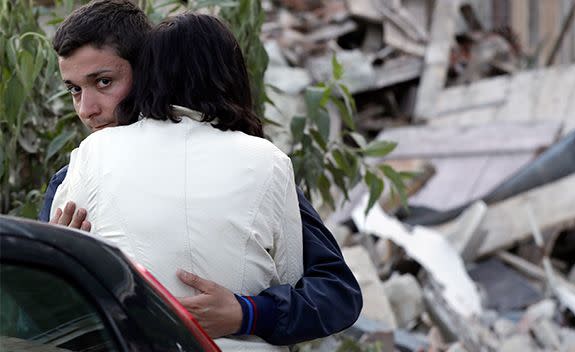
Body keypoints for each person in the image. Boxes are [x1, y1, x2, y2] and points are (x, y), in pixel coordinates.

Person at [41, 0, 361, 346]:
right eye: (74, 89)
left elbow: (333, 291)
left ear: (149, 72)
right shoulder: (74, 175)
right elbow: (36, 321)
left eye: (104, 82)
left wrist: (248, 311)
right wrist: (49, 271)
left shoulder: (256, 169)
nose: (87, 110)